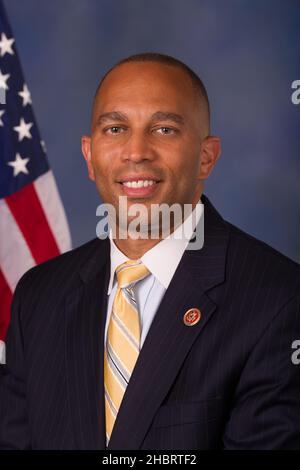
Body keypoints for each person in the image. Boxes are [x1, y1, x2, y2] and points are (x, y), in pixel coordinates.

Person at [0, 52, 299, 450]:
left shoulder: (279, 299)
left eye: (164, 130)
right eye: (116, 128)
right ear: (89, 156)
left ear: (206, 157)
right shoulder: (39, 295)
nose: (136, 151)